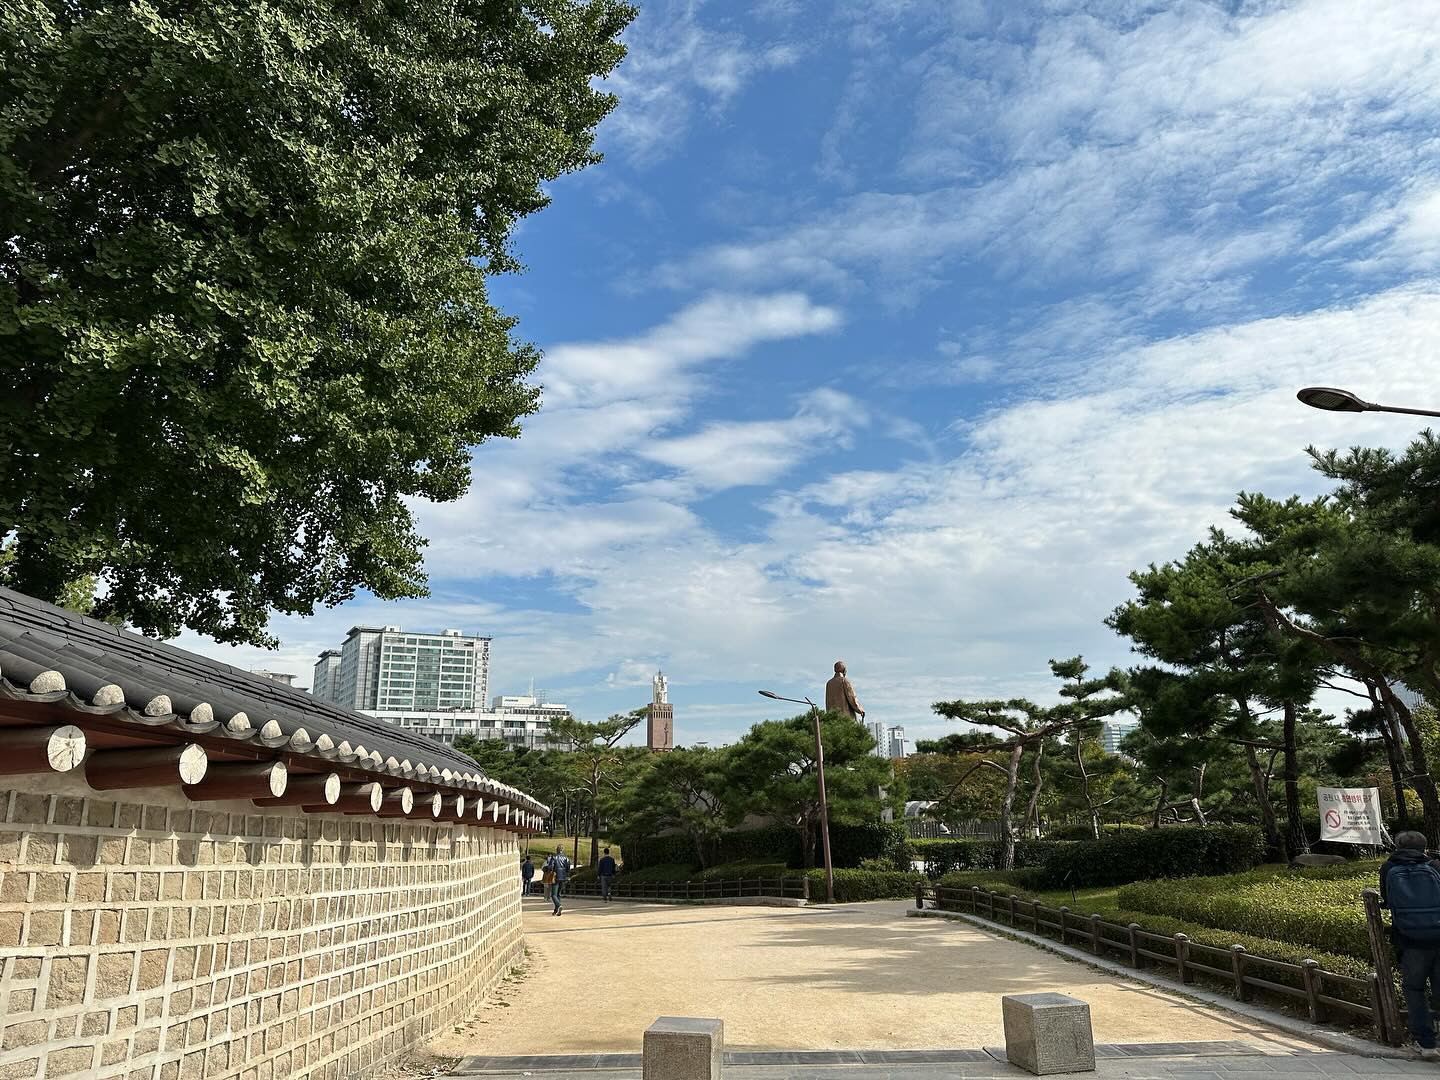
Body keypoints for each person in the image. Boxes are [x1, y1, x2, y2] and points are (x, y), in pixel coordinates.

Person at [1380, 831, 1440, 1057]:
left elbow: (1386, 900)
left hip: (1409, 938)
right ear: (1424, 847)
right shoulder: (1435, 865)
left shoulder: (1388, 868)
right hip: (1438, 933)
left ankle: (1426, 1044)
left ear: (1397, 846)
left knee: (1414, 989)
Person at [546, 847, 571, 917]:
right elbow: (568, 868)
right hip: (563, 877)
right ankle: (556, 910)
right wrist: (567, 876)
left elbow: (550, 867)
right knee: (559, 894)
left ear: (557, 850)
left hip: (555, 876)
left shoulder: (554, 857)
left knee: (553, 894)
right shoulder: (566, 858)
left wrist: (548, 870)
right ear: (562, 850)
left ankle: (559, 905)